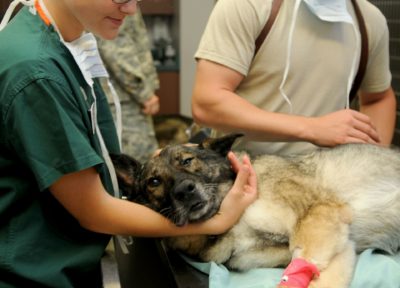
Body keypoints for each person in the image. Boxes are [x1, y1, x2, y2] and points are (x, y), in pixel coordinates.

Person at [0, 0, 258, 287]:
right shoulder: (36, 72)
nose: (131, 9)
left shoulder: (67, 44)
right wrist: (218, 221)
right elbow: (94, 210)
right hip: (32, 274)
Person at [192, 0, 397, 156]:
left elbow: (378, 98)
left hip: (330, 183)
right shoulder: (248, 5)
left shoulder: (369, 20)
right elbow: (207, 103)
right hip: (246, 179)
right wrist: (312, 128)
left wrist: (371, 160)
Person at [97, 10, 160, 163]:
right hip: (123, 99)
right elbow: (116, 50)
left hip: (121, 96)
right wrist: (144, 94)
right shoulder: (120, 5)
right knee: (137, 167)